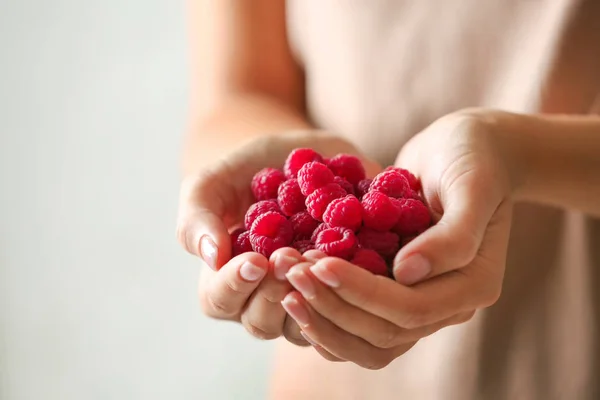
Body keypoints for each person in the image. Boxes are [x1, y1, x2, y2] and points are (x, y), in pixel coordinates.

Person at [177, 1, 600, 399]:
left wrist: (518, 156)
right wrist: (265, 173)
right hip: (332, 369)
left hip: (566, 356)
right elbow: (236, 95)